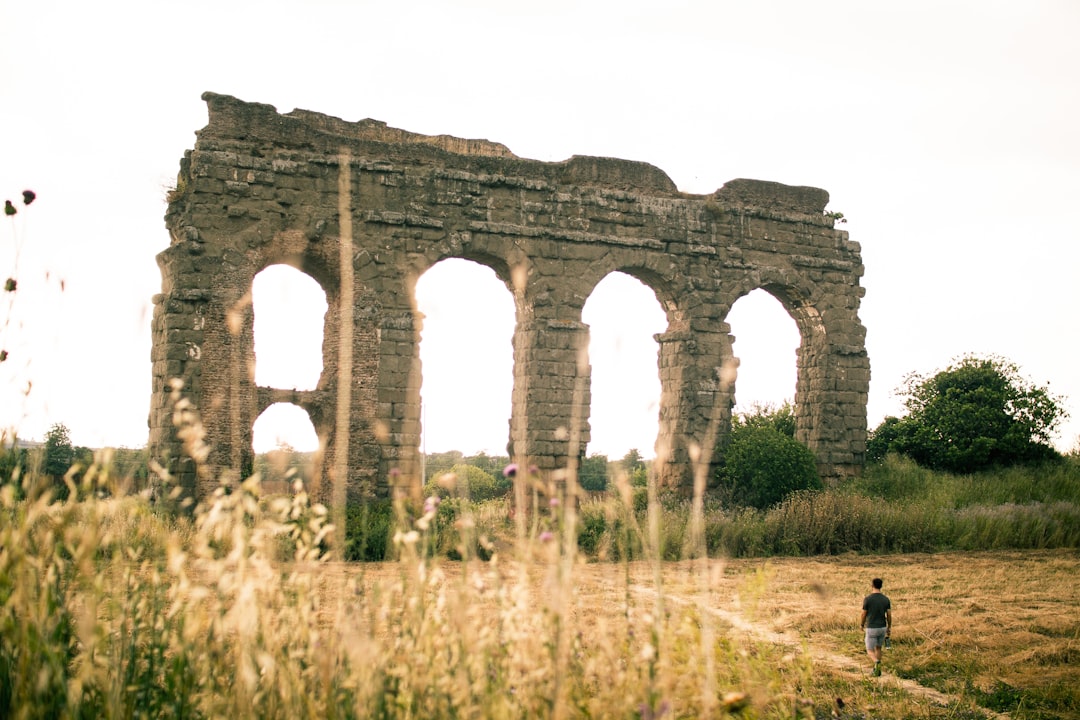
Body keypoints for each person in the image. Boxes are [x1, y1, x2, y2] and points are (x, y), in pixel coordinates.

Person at [859, 577, 892, 676]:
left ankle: (876, 662)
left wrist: (861, 624)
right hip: (882, 627)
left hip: (871, 627)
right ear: (881, 586)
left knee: (869, 650)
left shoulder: (868, 599)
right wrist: (889, 627)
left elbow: (864, 614)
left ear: (872, 585)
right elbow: (889, 615)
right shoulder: (885, 599)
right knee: (878, 648)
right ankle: (877, 670)